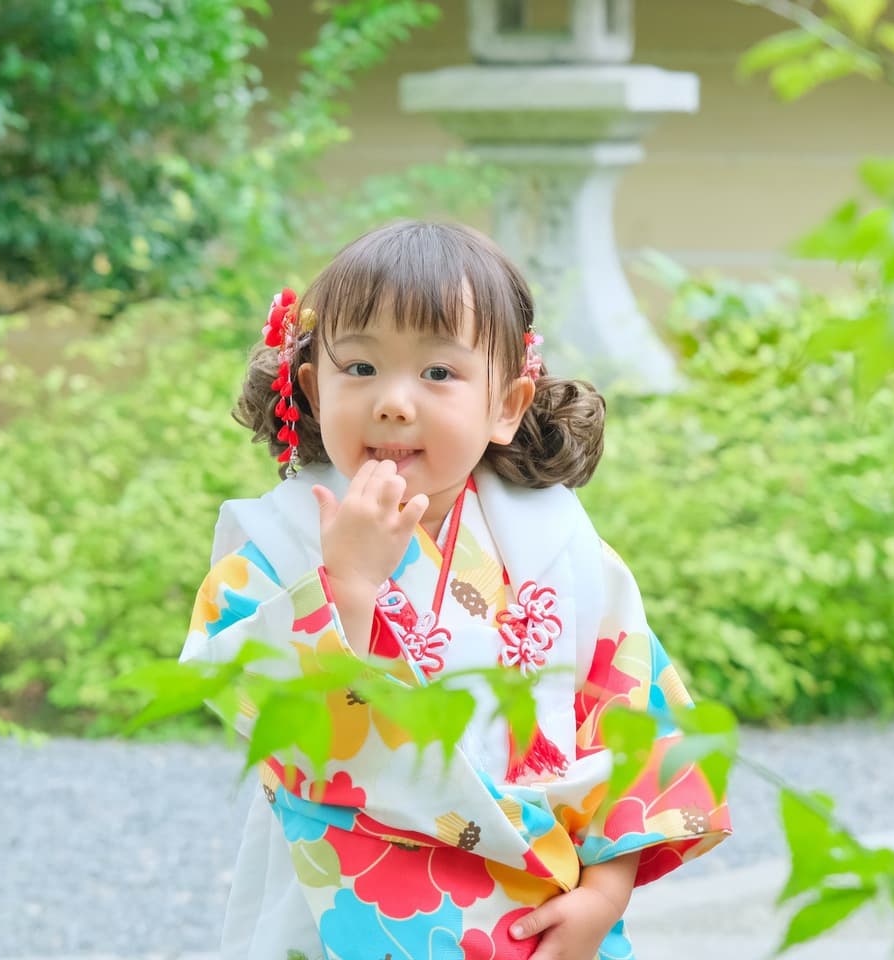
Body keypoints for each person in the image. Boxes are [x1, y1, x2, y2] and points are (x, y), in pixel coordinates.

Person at [182, 220, 731, 960]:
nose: (394, 402)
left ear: (506, 403)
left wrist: (605, 894)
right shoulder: (280, 542)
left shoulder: (560, 548)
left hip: (534, 905)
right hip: (336, 900)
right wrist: (344, 584)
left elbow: (635, 720)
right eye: (361, 368)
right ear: (312, 388)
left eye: (438, 373)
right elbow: (250, 698)